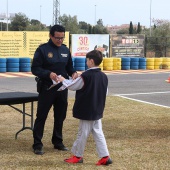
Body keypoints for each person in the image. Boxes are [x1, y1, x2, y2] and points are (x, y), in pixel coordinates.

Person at [58, 50, 112, 166]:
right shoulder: (103, 76)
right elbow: (105, 91)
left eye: (87, 60)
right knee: (98, 132)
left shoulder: (86, 76)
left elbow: (72, 86)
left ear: (91, 61)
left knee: (82, 133)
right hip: (97, 109)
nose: (86, 62)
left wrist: (62, 80)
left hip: (87, 109)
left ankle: (78, 156)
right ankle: (105, 156)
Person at [31, 24, 78, 155]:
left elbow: (69, 68)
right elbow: (35, 69)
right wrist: (48, 74)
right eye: (57, 38)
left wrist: (74, 73)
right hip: (47, 88)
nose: (60, 40)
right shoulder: (42, 50)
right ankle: (37, 144)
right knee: (41, 116)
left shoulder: (65, 50)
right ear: (51, 36)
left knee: (60, 116)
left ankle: (57, 141)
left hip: (62, 89)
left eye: (62, 38)